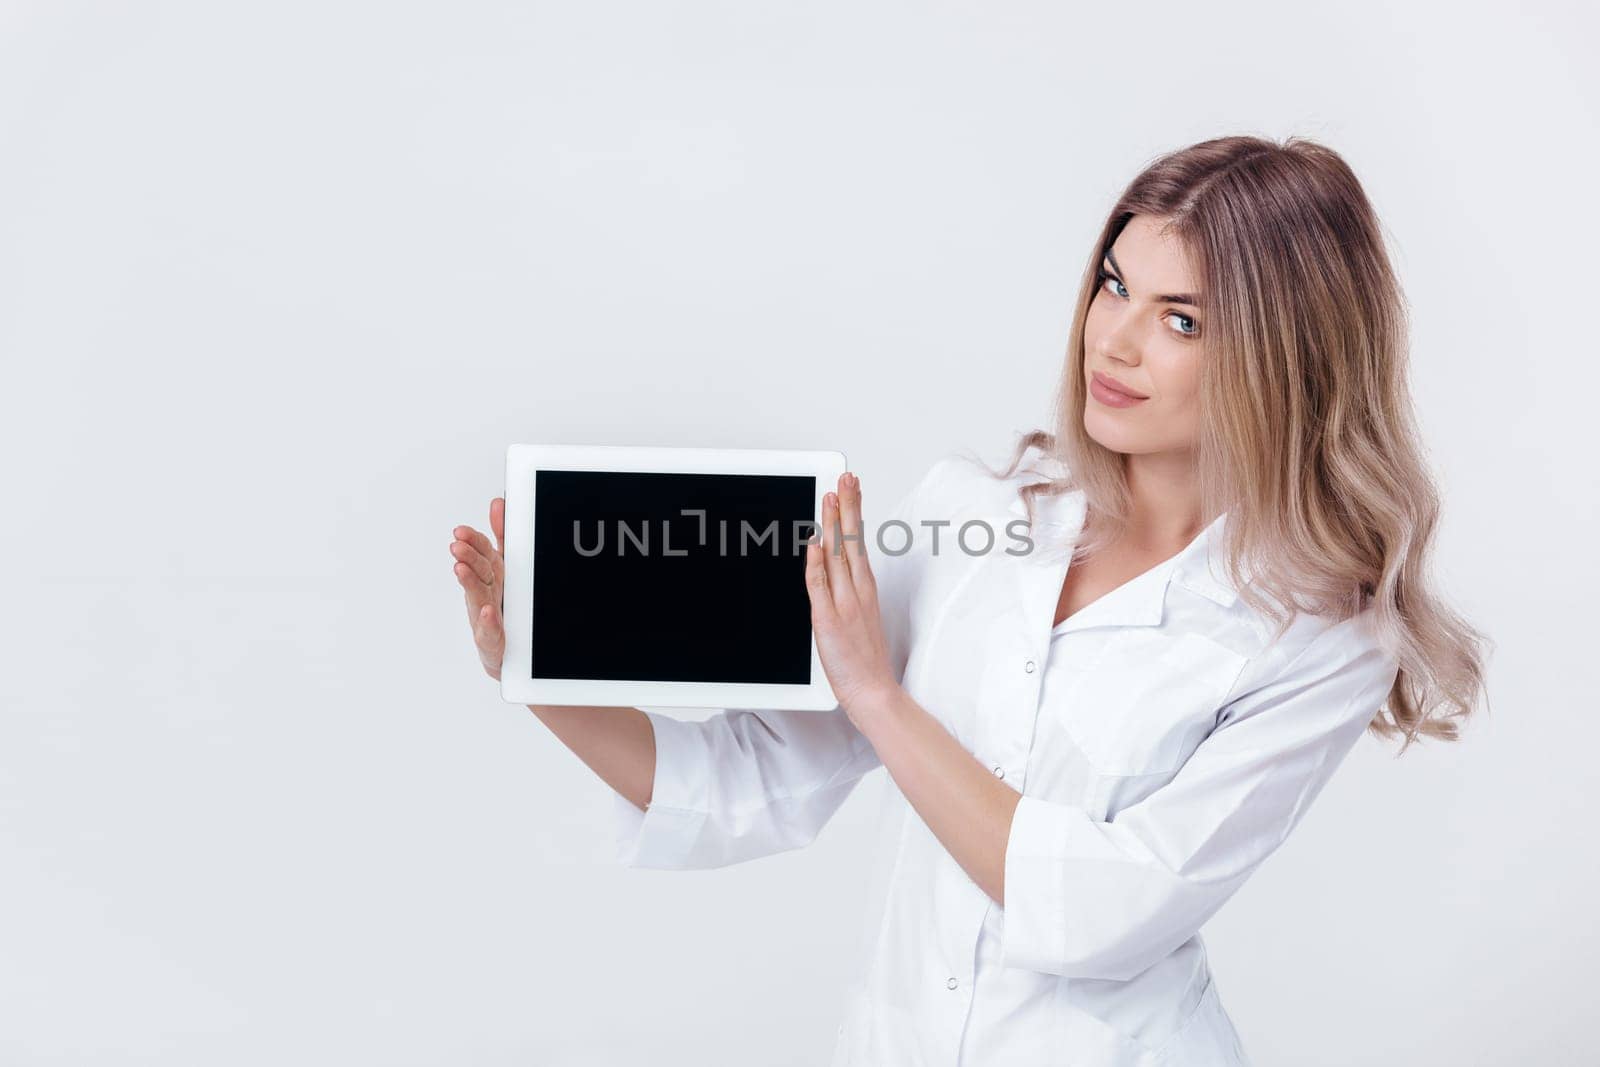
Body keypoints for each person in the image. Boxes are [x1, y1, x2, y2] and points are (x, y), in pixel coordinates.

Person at [447, 134, 1490, 1066]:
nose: (1114, 340)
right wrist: (536, 668)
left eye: (1179, 318)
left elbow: (1106, 910)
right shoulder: (975, 516)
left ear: (1283, 356)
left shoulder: (1322, 635)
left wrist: (879, 695)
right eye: (1112, 284)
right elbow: (751, 778)